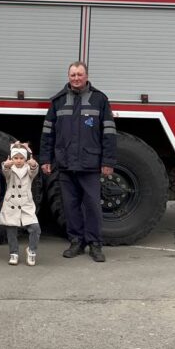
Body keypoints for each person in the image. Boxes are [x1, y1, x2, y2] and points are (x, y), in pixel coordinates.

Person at [40, 61, 116, 263]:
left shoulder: (99, 100)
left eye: (79, 74)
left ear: (86, 76)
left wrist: (107, 161)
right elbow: (48, 133)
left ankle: (95, 244)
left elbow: (108, 133)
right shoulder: (58, 101)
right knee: (70, 206)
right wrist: (45, 159)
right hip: (65, 164)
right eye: (72, 75)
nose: (76, 78)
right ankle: (76, 242)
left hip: (90, 164)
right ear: (68, 77)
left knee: (92, 206)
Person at [0, 142, 41, 266]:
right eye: (15, 158)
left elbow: (34, 172)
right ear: (11, 158)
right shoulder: (9, 169)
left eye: (21, 158)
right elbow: (5, 172)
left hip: (25, 203)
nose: (18, 161)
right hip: (11, 203)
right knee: (11, 230)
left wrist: (34, 165)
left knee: (35, 228)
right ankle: (14, 253)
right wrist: (5, 166)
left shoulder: (29, 169)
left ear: (25, 159)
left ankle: (32, 251)